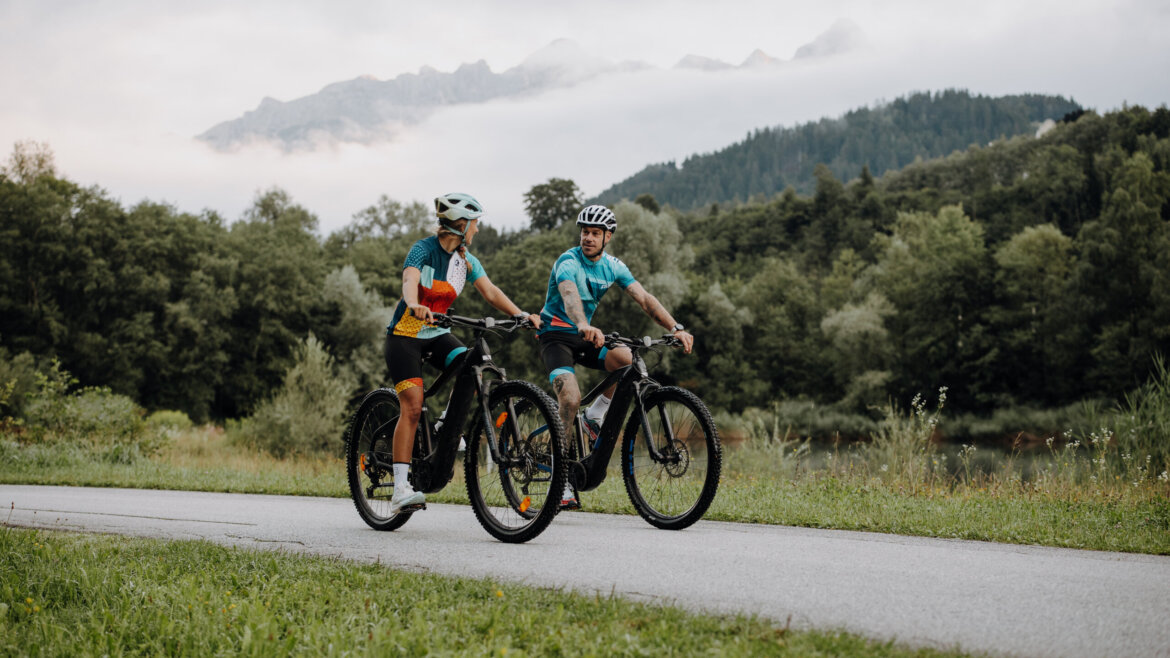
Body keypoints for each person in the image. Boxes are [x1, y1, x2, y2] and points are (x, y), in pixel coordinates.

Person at [385, 192, 541, 514]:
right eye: (475, 224)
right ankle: (400, 488)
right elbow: (410, 279)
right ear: (461, 225)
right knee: (412, 407)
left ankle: (446, 423)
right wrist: (414, 304)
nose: (478, 230)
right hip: (405, 336)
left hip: (437, 334)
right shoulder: (423, 250)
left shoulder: (466, 260)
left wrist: (520, 315)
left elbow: (490, 291)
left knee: (472, 363)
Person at [538, 204, 694, 509]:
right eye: (585, 232)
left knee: (626, 359)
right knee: (570, 398)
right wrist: (582, 323)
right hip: (555, 335)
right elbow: (569, 295)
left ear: (607, 237)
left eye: (595, 233)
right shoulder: (568, 261)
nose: (588, 238)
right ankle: (562, 479)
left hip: (585, 335)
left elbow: (644, 298)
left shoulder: (613, 266)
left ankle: (595, 415)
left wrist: (675, 328)